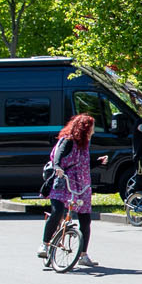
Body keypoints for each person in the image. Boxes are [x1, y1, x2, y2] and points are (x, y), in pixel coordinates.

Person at [39, 113, 97, 267]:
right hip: (63, 182)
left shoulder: (85, 144)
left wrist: (98, 162)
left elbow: (82, 164)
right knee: (57, 211)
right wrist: (57, 167)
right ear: (84, 128)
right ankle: (44, 245)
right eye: (91, 128)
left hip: (82, 186)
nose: (93, 131)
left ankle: (83, 255)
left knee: (85, 220)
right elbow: (57, 157)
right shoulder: (68, 141)